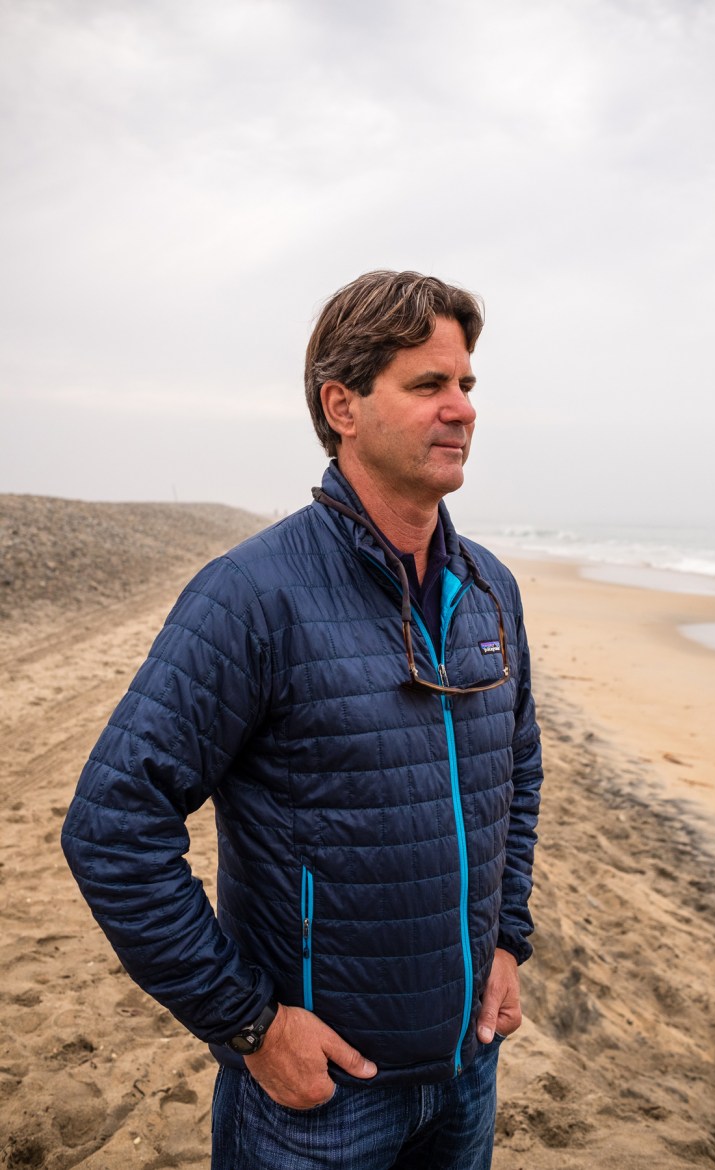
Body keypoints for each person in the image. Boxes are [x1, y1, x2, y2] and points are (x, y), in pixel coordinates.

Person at [62, 270, 543, 1169]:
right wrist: (247, 1022)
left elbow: (517, 772)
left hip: (467, 1071)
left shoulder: (489, 590)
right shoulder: (252, 596)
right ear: (343, 404)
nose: (462, 409)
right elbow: (112, 824)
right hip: (319, 1102)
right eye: (428, 385)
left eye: (467, 385)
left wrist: (509, 939)